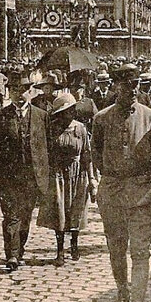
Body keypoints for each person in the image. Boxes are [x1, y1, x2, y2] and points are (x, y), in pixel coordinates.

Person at [91, 63, 151, 302]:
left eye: (136, 85)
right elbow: (96, 154)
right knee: (116, 248)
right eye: (127, 86)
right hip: (112, 193)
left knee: (141, 252)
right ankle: (123, 289)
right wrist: (111, 176)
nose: (133, 90)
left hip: (142, 193)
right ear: (115, 87)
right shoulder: (101, 118)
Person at [0, 75, 50, 271]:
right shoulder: (0, 115)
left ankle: (19, 249)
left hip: (32, 176)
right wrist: (8, 156)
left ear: (29, 92)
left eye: (23, 91)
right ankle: (11, 255)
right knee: (11, 215)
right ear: (9, 93)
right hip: (7, 176)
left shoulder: (41, 116)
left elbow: (46, 144)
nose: (19, 95)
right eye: (14, 91)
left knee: (25, 215)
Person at [37, 92, 97, 265]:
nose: (67, 115)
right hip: (58, 174)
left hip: (78, 174)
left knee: (76, 210)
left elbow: (87, 155)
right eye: (63, 113)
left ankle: (75, 244)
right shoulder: (52, 129)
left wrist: (92, 179)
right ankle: (60, 250)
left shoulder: (81, 129)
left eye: (70, 111)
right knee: (59, 211)